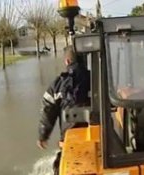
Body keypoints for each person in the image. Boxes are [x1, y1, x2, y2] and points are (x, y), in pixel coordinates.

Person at [37, 46, 90, 174]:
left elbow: (48, 110)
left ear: (67, 61)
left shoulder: (58, 83)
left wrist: (43, 135)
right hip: (96, 136)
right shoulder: (97, 79)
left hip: (69, 137)